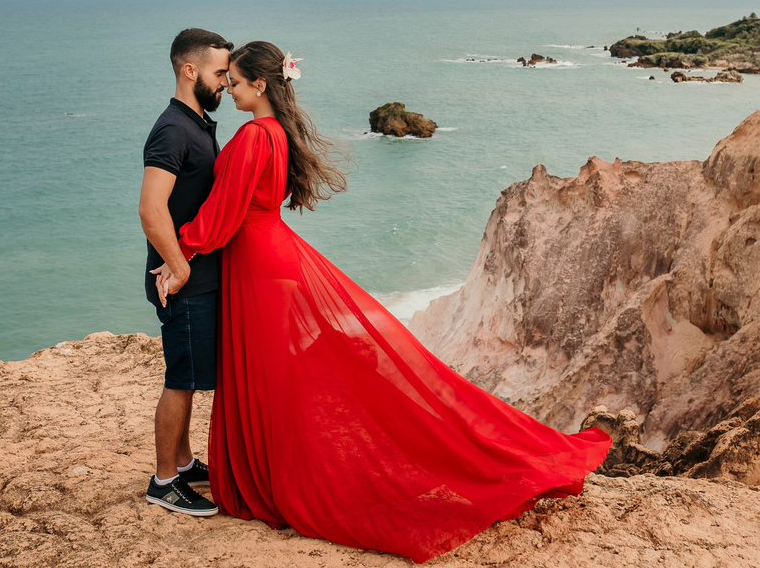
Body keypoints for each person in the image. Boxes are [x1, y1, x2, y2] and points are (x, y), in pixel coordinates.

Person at [155, 41, 611, 562]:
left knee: (269, 379)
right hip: (275, 257)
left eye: (234, 81)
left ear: (260, 85)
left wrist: (179, 252)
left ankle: (278, 478)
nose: (227, 88)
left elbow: (222, 214)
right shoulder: (278, 132)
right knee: (278, 377)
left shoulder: (254, 135)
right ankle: (277, 469)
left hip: (257, 265)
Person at [137, 28, 233, 516]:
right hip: (181, 280)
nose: (226, 83)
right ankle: (164, 480)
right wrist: (179, 270)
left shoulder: (197, 122)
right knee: (180, 378)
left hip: (193, 275)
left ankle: (184, 459)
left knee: (192, 374)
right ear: (189, 70)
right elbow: (151, 210)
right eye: (219, 73)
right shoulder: (174, 129)